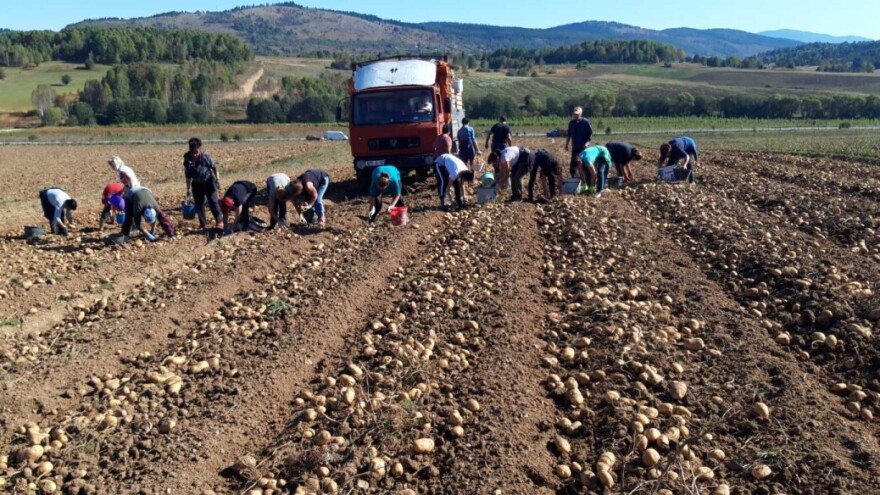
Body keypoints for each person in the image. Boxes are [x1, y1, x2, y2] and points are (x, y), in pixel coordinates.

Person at [183, 137, 222, 229]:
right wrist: (188, 189)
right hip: (196, 184)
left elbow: (215, 168)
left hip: (208, 181)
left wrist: (218, 180)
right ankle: (203, 224)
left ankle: (219, 221)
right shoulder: (187, 159)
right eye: (192, 152)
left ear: (199, 149)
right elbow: (188, 175)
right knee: (199, 204)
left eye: (196, 152)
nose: (194, 155)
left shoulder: (205, 156)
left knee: (213, 201)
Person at [565, 107, 593, 179]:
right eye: (575, 114)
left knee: (584, 165)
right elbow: (569, 134)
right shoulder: (571, 123)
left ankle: (587, 180)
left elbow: (589, 134)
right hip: (575, 147)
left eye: (577, 114)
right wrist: (566, 144)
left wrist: (587, 143)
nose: (576, 116)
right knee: (573, 166)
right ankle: (575, 179)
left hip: (583, 147)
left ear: (581, 114)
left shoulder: (585, 122)